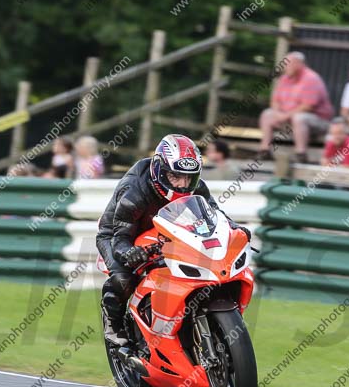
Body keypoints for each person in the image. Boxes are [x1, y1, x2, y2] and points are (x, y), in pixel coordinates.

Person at [95, 134, 251, 359]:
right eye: (175, 176)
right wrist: (129, 253)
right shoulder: (134, 192)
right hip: (120, 234)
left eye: (188, 178)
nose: (182, 184)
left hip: (163, 229)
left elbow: (216, 216)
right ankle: (113, 327)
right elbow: (120, 238)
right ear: (159, 170)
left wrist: (235, 229)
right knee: (124, 277)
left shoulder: (196, 187)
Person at [257, 51, 333, 163]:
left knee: (299, 118)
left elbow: (308, 106)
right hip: (288, 120)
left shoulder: (311, 78)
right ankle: (265, 151)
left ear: (299, 64)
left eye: (287, 64)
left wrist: (284, 116)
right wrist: (278, 113)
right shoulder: (284, 79)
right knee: (267, 114)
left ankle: (301, 154)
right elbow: (275, 101)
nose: (284, 67)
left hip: (318, 122)